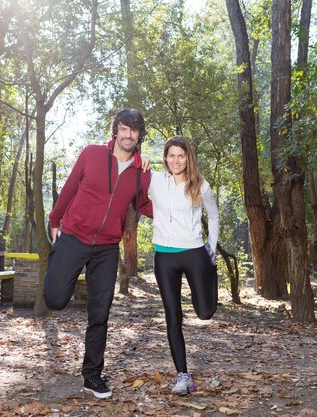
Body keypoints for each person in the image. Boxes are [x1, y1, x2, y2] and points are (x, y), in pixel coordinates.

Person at [44, 108, 153, 399]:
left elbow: (144, 205)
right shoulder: (91, 154)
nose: (129, 135)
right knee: (54, 300)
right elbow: (69, 188)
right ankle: (58, 263)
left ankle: (91, 376)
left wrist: (180, 211)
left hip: (107, 247)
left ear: (140, 135)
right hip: (74, 237)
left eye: (135, 130)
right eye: (125, 128)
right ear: (115, 129)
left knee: (100, 312)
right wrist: (55, 220)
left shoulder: (142, 172)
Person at [148, 135, 219, 395]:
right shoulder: (155, 180)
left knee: (204, 312)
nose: (175, 160)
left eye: (180, 155)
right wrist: (141, 159)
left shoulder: (200, 185)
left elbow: (213, 217)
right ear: (165, 158)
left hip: (194, 253)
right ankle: (182, 375)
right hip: (164, 256)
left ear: (188, 157)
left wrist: (210, 250)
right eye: (171, 155)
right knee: (172, 315)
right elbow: (133, 171)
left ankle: (212, 277)